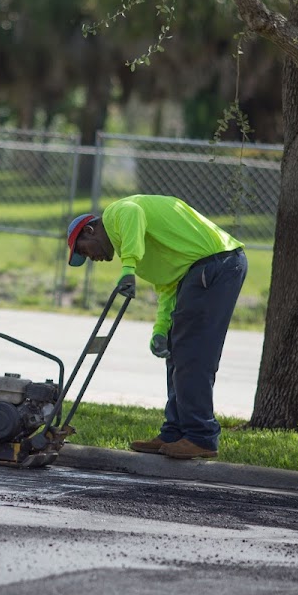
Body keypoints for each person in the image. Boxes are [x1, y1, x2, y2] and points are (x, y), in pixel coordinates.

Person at [66, 195, 247, 460]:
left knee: (192, 354)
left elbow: (133, 213)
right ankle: (174, 431)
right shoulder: (137, 246)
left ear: (90, 230)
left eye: (83, 250)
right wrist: (161, 329)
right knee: (177, 352)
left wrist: (128, 268)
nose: (89, 258)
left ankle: (201, 436)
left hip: (216, 263)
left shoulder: (117, 213)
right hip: (199, 270)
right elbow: (167, 285)